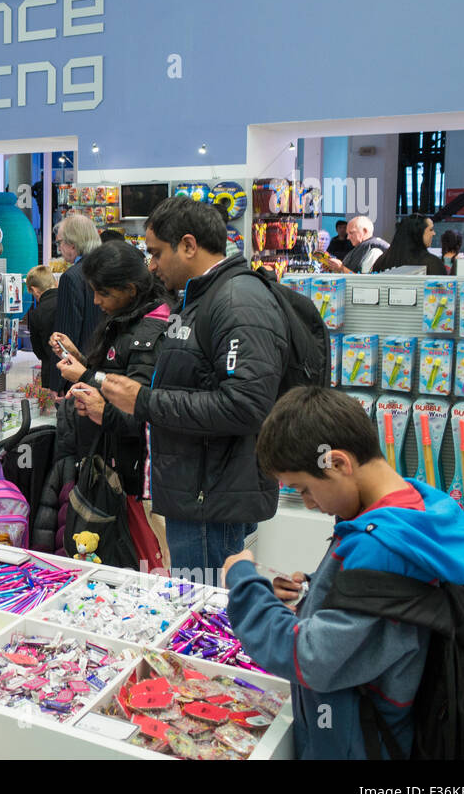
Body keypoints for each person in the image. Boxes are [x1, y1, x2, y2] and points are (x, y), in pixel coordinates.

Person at [222, 386, 464, 760]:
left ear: (338, 463)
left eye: (305, 489)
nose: (309, 503)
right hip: (363, 724)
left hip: (358, 738)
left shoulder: (384, 547)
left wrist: (244, 584)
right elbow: (372, 607)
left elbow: (311, 659)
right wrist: (311, 591)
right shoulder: (409, 507)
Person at [99, 196, 288, 581]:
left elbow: (246, 404)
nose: (150, 266)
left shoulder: (237, 301)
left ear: (188, 245)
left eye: (155, 253)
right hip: (198, 492)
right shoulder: (202, 298)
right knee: (201, 612)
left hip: (212, 499)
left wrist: (145, 401)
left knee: (206, 620)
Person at [64, 241, 175, 565]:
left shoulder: (151, 328)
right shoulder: (129, 319)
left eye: (103, 293)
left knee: (147, 562)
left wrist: (89, 380)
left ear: (129, 289)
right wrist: (84, 366)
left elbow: (141, 408)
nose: (97, 301)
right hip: (122, 465)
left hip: (139, 475)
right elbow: (117, 378)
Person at [51, 213, 103, 385]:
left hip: (77, 373)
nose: (59, 249)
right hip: (105, 367)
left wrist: (58, 383)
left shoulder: (72, 277)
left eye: (59, 242)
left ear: (72, 244)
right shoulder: (108, 269)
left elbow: (66, 333)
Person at [372, 214, 446, 275]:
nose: (434, 233)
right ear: (418, 233)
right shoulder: (431, 263)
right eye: (430, 229)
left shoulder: (382, 261)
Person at [24, 266, 59, 392]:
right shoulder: (70, 301)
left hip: (51, 370)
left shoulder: (36, 313)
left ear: (34, 290)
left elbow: (38, 350)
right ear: (55, 282)